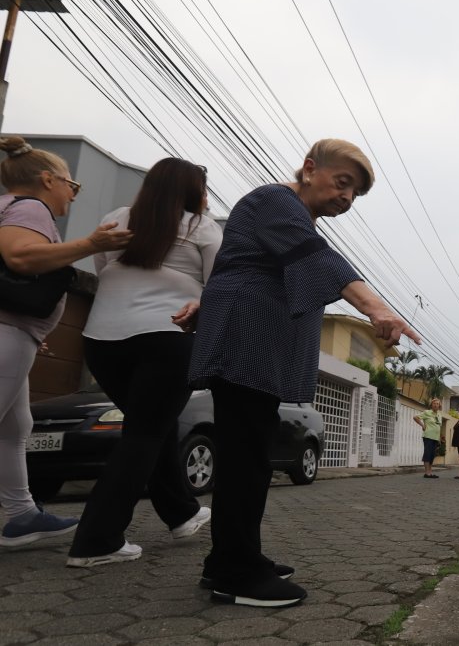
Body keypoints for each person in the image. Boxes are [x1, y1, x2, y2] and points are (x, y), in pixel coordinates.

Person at [187, 139, 419, 608]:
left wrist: (207, 302)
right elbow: (316, 259)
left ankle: (228, 559)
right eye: (343, 183)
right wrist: (377, 308)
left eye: (355, 194)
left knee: (248, 452)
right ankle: (237, 572)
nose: (346, 198)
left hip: (255, 341)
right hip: (246, 341)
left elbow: (248, 264)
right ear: (310, 169)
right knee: (247, 457)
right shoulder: (276, 199)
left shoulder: (294, 219)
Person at [65, 158, 222, 567]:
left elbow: (103, 268)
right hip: (167, 337)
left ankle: (182, 514)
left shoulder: (117, 218)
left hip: (102, 340)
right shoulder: (202, 227)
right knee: (144, 434)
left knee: (154, 425)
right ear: (193, 191)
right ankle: (97, 540)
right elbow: (219, 285)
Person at [0, 136, 132, 546]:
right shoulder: (31, 208)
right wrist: (92, 244)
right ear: (47, 180)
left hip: (17, 330)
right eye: (71, 186)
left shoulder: (9, 207)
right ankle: (20, 513)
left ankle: (20, 514)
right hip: (7, 328)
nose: (72, 196)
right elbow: (20, 256)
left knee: (14, 425)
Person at [414, 398, 448, 478]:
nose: (436, 405)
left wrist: (440, 437)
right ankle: (427, 473)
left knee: (432, 455)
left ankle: (430, 472)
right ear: (431, 405)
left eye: (437, 404)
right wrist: (422, 425)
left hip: (435, 438)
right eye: (434, 403)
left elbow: (438, 426)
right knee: (427, 454)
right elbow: (415, 417)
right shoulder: (427, 412)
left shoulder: (439, 414)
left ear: (439, 405)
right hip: (428, 436)